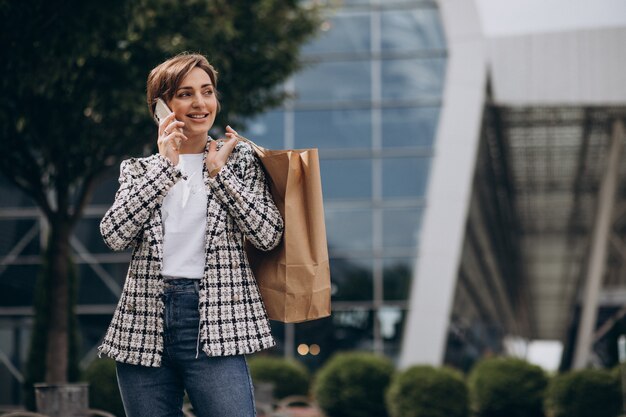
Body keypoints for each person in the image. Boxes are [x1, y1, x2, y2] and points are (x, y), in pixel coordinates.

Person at [98, 52, 284, 417]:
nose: (200, 103)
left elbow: (267, 235)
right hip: (144, 324)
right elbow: (113, 235)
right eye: (185, 94)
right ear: (161, 108)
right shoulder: (139, 170)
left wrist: (220, 175)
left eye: (207, 91)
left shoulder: (240, 160)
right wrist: (164, 168)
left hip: (216, 323)